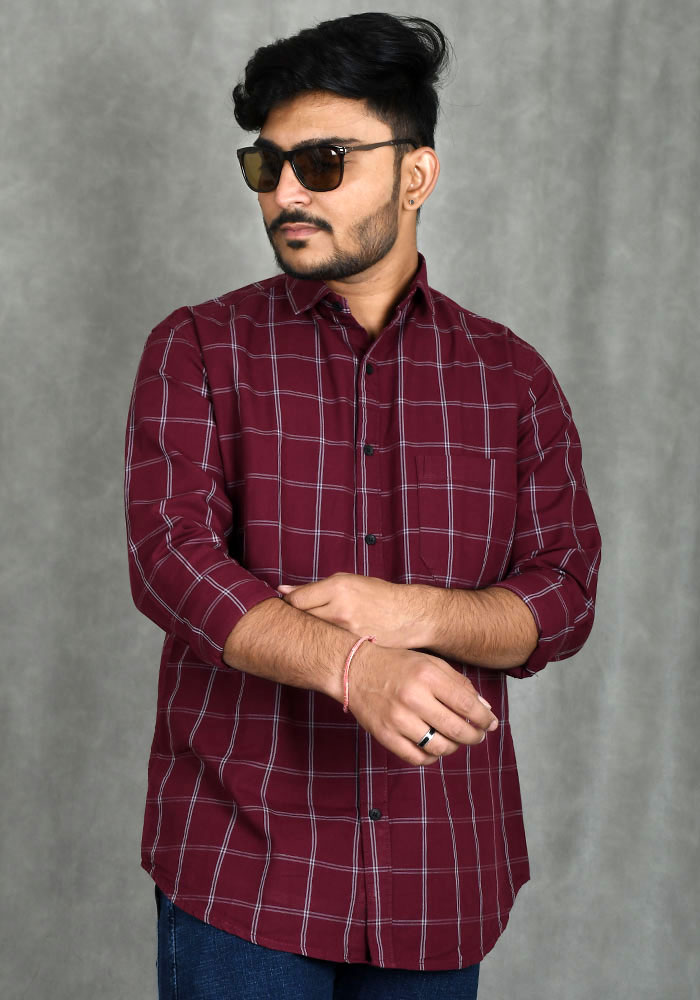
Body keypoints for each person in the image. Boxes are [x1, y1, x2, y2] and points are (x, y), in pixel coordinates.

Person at [124, 12, 602, 999]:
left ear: (415, 175)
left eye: (323, 162)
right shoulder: (199, 348)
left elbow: (564, 595)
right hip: (244, 862)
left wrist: (412, 613)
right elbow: (169, 559)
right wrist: (353, 666)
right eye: (267, 167)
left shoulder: (513, 379)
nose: (286, 193)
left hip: (439, 867)